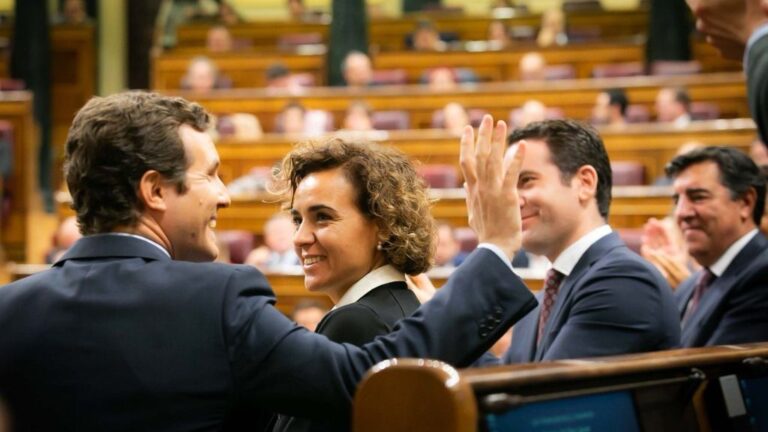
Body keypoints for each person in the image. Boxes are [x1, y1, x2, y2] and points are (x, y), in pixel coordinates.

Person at [0, 92, 536, 431]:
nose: (225, 195)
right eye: (211, 174)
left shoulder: (10, 310)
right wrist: (492, 249)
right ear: (155, 191)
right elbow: (363, 382)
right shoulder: (215, 298)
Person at [271, 137, 439, 431]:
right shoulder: (402, 305)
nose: (299, 238)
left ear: (384, 227)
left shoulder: (356, 321)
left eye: (322, 218)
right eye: (298, 220)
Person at [500, 119, 680, 363]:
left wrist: (491, 245)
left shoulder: (624, 280)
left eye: (526, 181)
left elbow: (545, 393)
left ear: (585, 183)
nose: (511, 200)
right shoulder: (542, 299)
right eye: (507, 187)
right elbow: (504, 378)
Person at [665, 146, 768, 347]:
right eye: (677, 200)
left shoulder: (762, 275)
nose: (681, 213)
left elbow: (714, 372)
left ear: (746, 202)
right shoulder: (691, 285)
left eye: (698, 197)